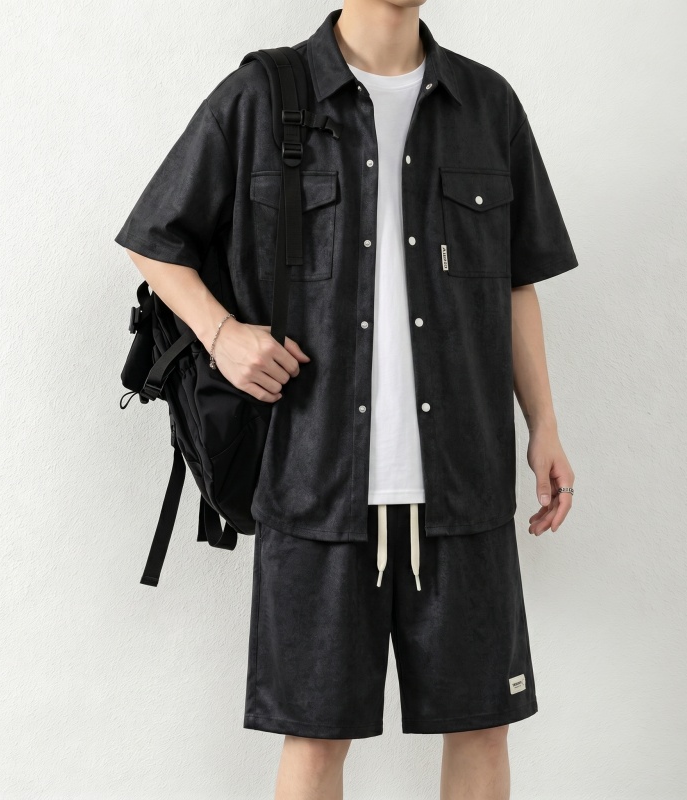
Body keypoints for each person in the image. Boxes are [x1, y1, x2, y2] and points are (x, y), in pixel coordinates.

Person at [114, 2, 578, 798]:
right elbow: (153, 241)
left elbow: (513, 283)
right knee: (315, 742)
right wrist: (222, 335)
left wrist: (544, 425)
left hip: (463, 484)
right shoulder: (262, 96)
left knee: (482, 730)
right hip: (312, 485)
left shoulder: (486, 104)